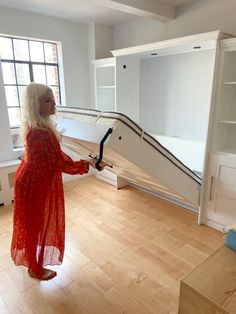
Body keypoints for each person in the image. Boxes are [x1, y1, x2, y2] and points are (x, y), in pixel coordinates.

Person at [11, 83, 105, 280]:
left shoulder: (38, 126)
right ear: (34, 104)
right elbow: (59, 162)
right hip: (33, 183)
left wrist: (86, 163)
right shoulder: (40, 132)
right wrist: (88, 164)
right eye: (47, 100)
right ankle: (34, 269)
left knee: (32, 224)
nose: (54, 103)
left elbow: (53, 159)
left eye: (53, 99)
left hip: (30, 180)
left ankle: (32, 265)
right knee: (34, 225)